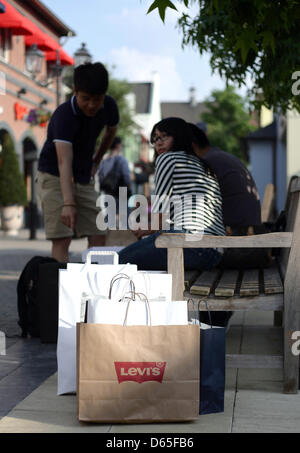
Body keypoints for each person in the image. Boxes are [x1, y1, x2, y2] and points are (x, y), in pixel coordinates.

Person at [118, 117, 225, 271]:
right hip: (214, 253)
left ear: (179, 136)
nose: (158, 143)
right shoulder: (203, 165)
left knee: (119, 261)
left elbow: (159, 212)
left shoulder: (168, 158)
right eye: (155, 139)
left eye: (164, 137)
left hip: (189, 244)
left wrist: (147, 228)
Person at [37, 62, 119, 262]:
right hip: (54, 174)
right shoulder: (64, 115)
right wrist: (68, 203)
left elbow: (111, 130)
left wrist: (97, 160)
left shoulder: (108, 106)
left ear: (104, 96)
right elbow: (64, 161)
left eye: (97, 99)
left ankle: (95, 285)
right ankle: (60, 288)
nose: (92, 105)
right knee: (62, 236)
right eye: (86, 99)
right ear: (75, 91)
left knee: (99, 231)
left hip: (83, 175)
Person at [188, 123, 272, 269]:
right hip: (249, 244)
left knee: (170, 253)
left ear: (192, 145)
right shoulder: (219, 156)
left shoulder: (207, 163)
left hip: (238, 248)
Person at [98, 136, 132, 218]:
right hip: (121, 194)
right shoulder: (121, 160)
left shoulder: (104, 161)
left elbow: (100, 177)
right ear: (118, 145)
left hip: (107, 193)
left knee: (109, 220)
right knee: (124, 222)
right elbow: (127, 179)